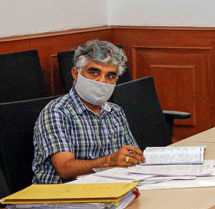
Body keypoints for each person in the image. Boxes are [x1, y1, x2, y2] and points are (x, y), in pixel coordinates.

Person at [32, 40, 145, 184]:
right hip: (61, 197)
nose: (102, 81)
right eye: (94, 72)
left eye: (110, 76)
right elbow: (65, 168)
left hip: (109, 190)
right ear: (75, 74)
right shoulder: (57, 112)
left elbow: (130, 155)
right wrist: (110, 161)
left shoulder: (115, 112)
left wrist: (132, 158)